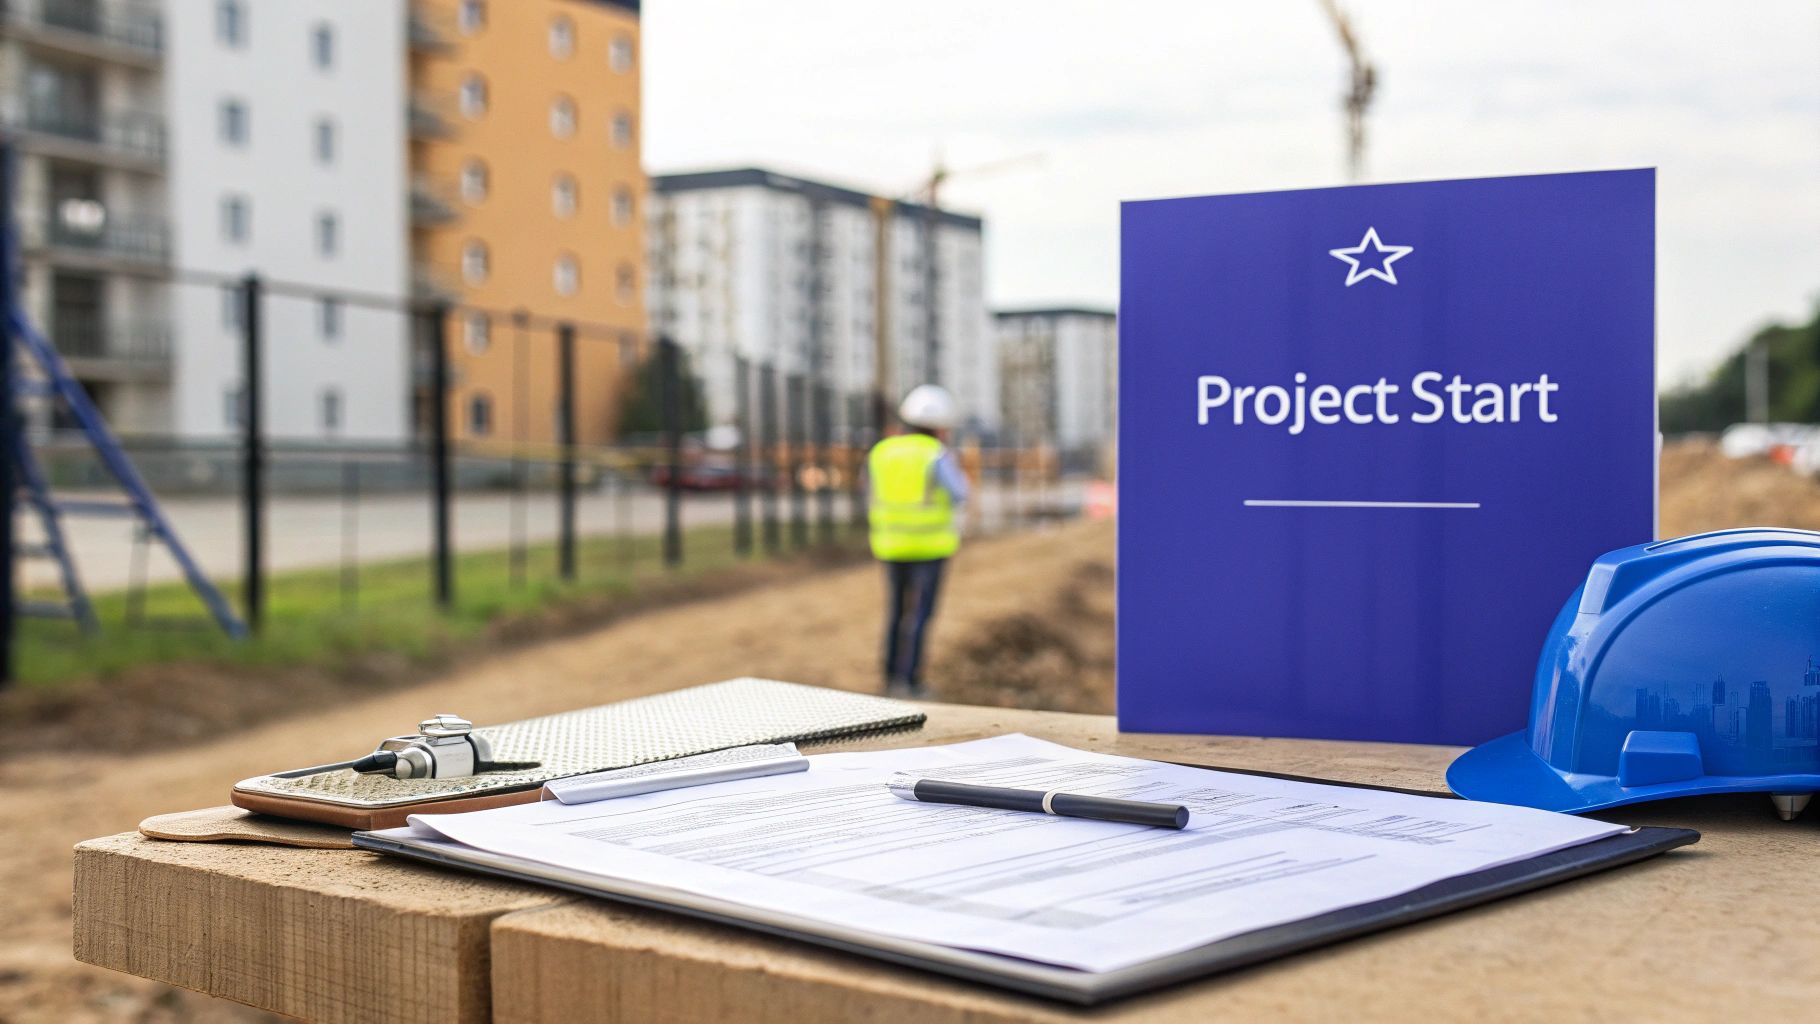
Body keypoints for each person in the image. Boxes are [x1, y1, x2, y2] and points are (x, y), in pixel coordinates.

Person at [868, 384, 969, 699]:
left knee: (896, 612)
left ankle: (888, 677)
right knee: (920, 615)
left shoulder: (882, 452)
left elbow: (870, 492)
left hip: (891, 545)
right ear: (940, 426)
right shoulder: (935, 455)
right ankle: (910, 682)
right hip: (930, 546)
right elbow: (960, 494)